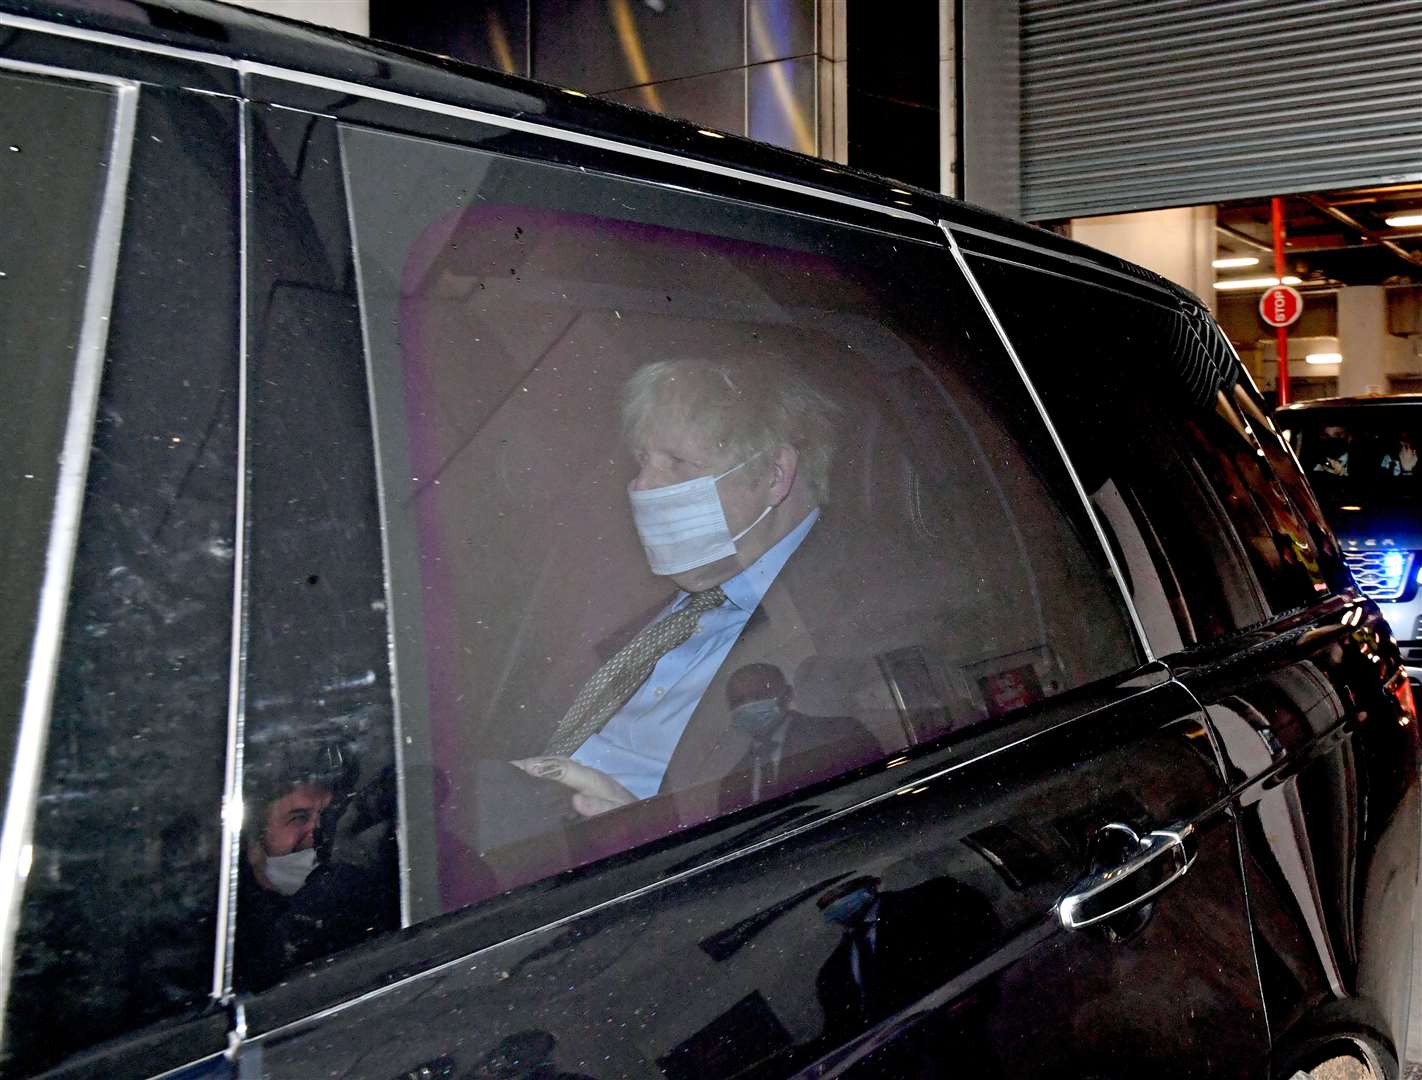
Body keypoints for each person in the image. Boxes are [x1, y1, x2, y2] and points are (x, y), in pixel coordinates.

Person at [509, 356, 898, 824]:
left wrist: (647, 834)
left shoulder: (868, 616)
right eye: (642, 460)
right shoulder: (627, 582)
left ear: (775, 473)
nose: (642, 486)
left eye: (677, 462)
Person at [236, 747, 398, 989]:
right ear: (252, 846)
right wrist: (341, 876)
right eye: (299, 818)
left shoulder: (369, 892)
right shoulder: (231, 934)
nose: (319, 833)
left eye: (327, 815)